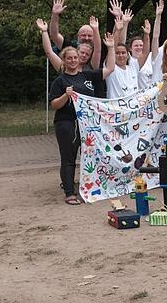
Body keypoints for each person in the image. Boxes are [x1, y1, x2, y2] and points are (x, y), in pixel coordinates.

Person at [46, 31, 116, 205]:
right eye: (68, 58)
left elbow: (110, 69)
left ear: (79, 59)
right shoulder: (59, 81)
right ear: (64, 60)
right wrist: (65, 96)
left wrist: (111, 47)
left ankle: (91, 187)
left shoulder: (87, 75)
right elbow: (54, 105)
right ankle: (69, 192)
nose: (72, 61)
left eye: (75, 58)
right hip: (66, 124)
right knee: (69, 158)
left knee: (90, 156)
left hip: (87, 125)